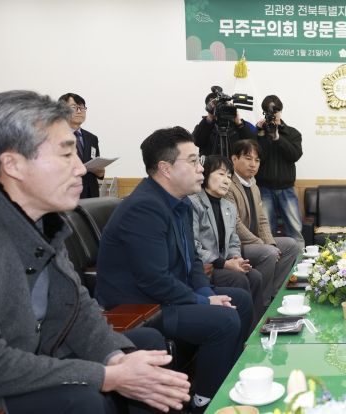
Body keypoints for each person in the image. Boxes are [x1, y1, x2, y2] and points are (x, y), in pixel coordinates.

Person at [0, 90, 190, 413]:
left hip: (39, 353)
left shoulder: (45, 224)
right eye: (66, 155)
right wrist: (106, 376)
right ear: (13, 164)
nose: (80, 169)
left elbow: (76, 308)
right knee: (82, 399)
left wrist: (117, 360)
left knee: (140, 352)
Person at [95, 126, 253, 413]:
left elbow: (193, 261)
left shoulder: (180, 204)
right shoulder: (144, 208)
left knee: (239, 300)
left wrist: (207, 295)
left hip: (166, 297)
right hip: (142, 306)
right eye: (192, 161)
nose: (201, 168)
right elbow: (154, 279)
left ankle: (224, 382)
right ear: (165, 169)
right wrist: (203, 302)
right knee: (225, 320)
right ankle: (204, 402)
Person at [190, 154, 266, 322]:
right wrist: (224, 264)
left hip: (224, 263)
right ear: (206, 174)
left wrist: (236, 258)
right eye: (221, 174)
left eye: (229, 176)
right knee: (238, 279)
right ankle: (240, 327)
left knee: (255, 276)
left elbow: (233, 240)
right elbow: (193, 245)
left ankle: (257, 326)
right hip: (205, 267)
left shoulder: (228, 206)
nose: (226, 181)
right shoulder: (194, 203)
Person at [226, 139, 299, 301]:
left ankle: (274, 293)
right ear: (234, 159)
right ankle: (262, 301)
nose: (253, 164)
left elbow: (262, 219)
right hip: (237, 245)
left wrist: (270, 243)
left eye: (257, 160)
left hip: (254, 241)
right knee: (269, 252)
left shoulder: (253, 185)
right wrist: (262, 244)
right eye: (248, 158)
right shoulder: (228, 185)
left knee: (291, 245)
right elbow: (235, 224)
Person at [255, 94, 305, 246]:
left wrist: (277, 137)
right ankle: (270, 259)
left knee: (295, 230)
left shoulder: (292, 133)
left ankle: (298, 260)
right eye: (268, 111)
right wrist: (261, 135)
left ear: (280, 111)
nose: (272, 114)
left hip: (286, 188)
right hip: (264, 189)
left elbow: (294, 155)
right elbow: (257, 158)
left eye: (275, 110)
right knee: (266, 231)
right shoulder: (260, 133)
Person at [59, 92, 104, 198]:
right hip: (67, 194)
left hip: (91, 195)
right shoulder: (54, 137)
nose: (79, 111)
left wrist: (100, 172)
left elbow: (98, 169)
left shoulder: (92, 138)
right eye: (74, 107)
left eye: (82, 108)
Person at [192, 90, 256, 158]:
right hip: (212, 164)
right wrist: (209, 118)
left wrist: (239, 123)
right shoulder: (205, 125)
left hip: (233, 164)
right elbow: (197, 142)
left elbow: (252, 143)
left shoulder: (238, 125)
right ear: (209, 108)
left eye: (225, 105)